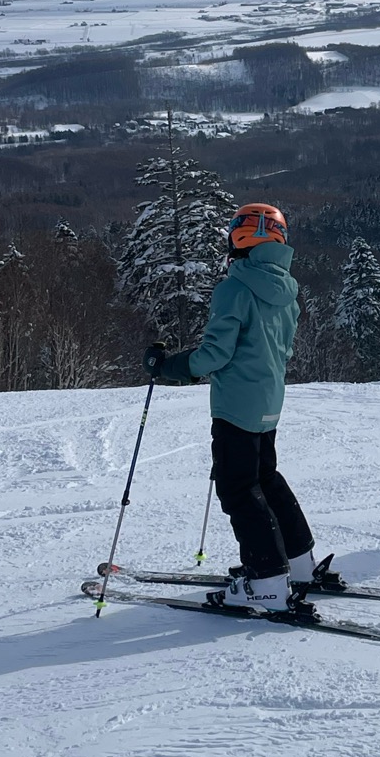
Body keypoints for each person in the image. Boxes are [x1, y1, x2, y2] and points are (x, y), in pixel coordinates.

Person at [144, 202, 321, 615]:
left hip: (237, 406)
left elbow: (215, 355)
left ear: (241, 236)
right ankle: (298, 564)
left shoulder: (236, 288)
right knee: (265, 478)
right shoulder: (287, 289)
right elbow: (284, 348)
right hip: (269, 402)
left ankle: (266, 581)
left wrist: (169, 365)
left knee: (238, 487)